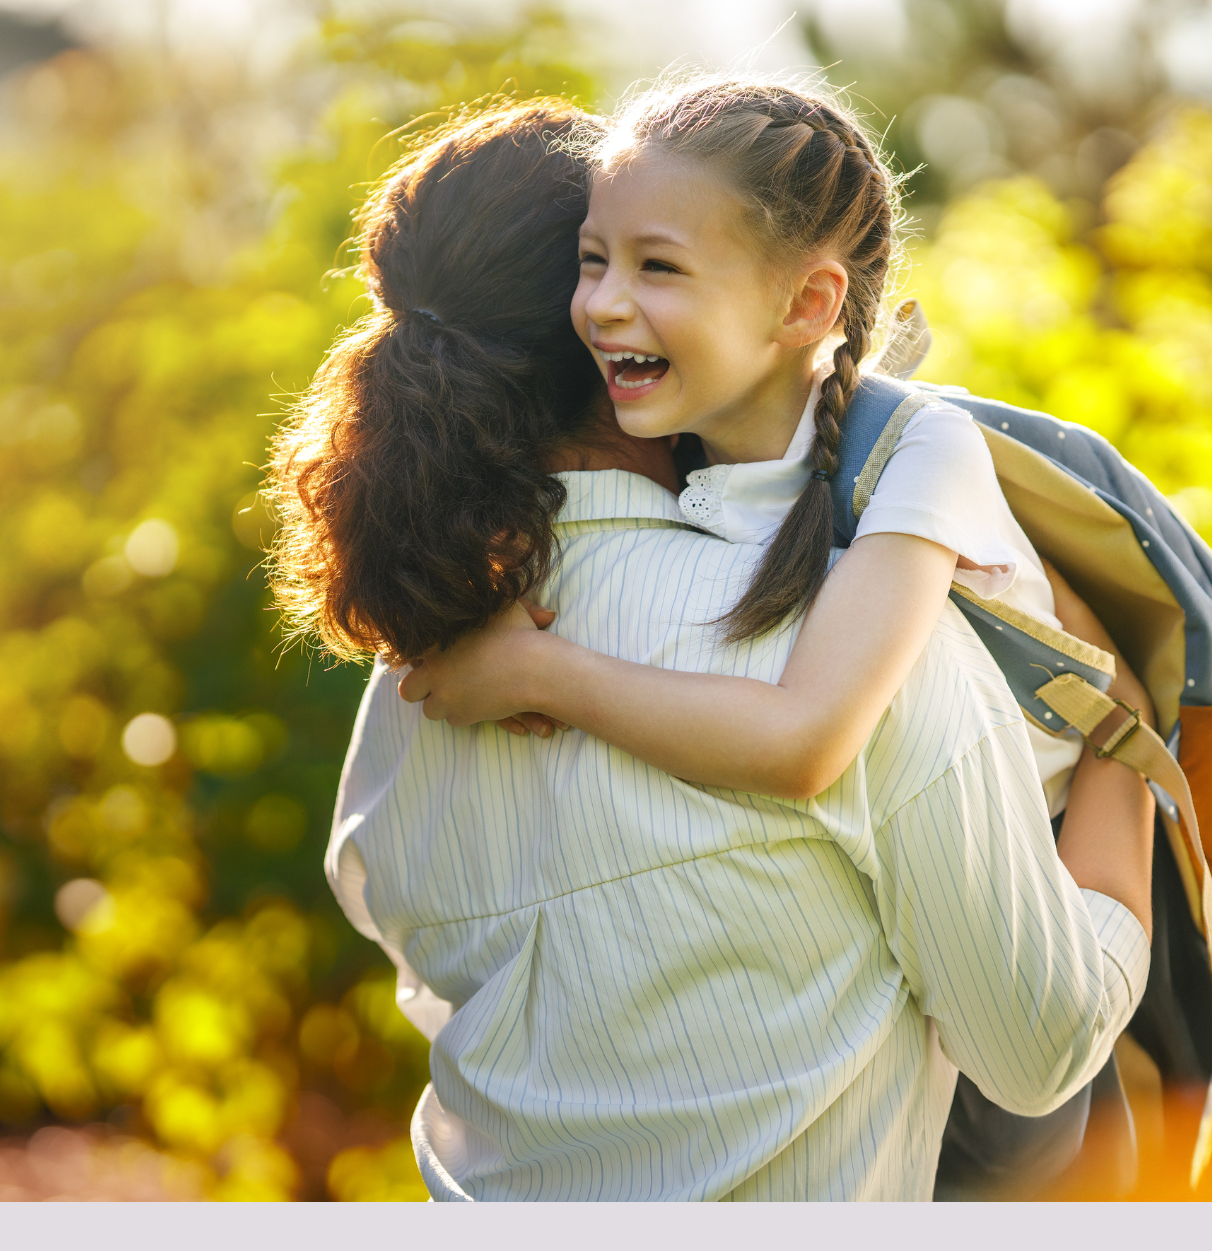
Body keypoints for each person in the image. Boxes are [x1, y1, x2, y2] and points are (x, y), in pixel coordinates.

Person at [270, 97, 1154, 1200]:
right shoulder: (858, 644)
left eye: (657, 264)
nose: (616, 299)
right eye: (598, 261)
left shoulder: (424, 679)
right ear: (580, 319)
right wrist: (1127, 742)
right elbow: (1040, 1047)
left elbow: (418, 961)